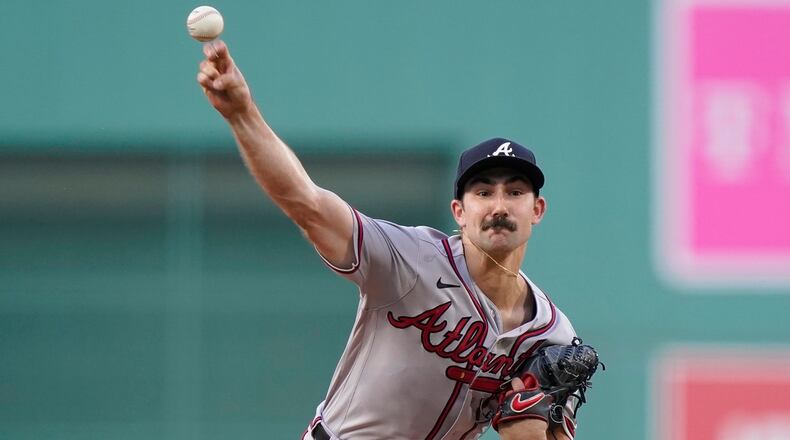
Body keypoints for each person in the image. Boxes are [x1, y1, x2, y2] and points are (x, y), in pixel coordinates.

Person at [197, 40, 584, 440]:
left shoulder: (551, 334)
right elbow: (307, 203)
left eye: (515, 192)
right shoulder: (411, 259)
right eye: (483, 193)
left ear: (537, 210)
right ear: (459, 212)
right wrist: (243, 115)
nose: (499, 206)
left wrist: (531, 427)